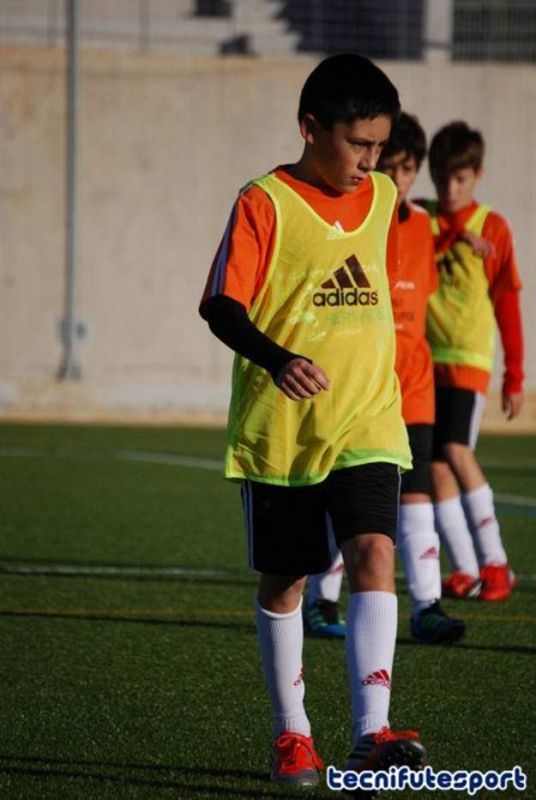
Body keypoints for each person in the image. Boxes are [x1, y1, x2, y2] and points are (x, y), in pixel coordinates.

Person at [199, 54, 426, 790]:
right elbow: (220, 306)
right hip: (285, 430)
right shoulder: (264, 201)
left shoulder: (386, 196)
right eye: (357, 144)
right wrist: (276, 358)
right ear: (309, 128)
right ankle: (292, 735)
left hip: (368, 417)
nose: (370, 161)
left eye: (378, 147)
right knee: (287, 581)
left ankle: (371, 732)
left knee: (373, 556)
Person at [305, 113, 466, 645]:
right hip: (361, 384)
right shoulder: (353, 218)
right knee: (347, 500)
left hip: (413, 384)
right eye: (390, 167)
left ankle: (427, 606)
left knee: (416, 495)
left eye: (407, 169)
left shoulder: (423, 224)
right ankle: (321, 601)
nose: (397, 179)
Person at [422, 121, 524, 602]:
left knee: (458, 453)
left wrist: (514, 374)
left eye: (459, 180)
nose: (450, 189)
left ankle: (498, 562)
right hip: (425, 363)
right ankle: (465, 568)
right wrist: (452, 240)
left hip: (466, 361)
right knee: (436, 467)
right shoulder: (423, 221)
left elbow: (507, 303)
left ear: (477, 175)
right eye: (442, 179)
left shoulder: (493, 227)